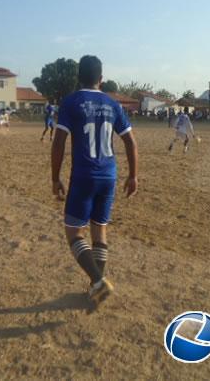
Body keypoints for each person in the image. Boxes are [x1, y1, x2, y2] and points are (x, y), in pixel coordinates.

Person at [51, 55, 138, 307]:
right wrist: (133, 176)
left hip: (84, 176)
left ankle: (98, 281)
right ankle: (95, 287)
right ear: (101, 78)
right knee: (99, 229)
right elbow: (130, 142)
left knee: (73, 233)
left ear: (79, 78)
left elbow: (58, 142)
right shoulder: (113, 104)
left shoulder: (71, 101)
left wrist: (55, 178)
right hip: (109, 175)